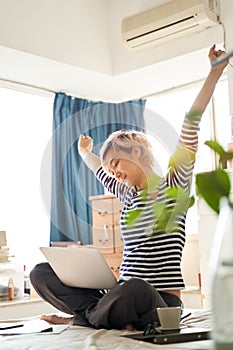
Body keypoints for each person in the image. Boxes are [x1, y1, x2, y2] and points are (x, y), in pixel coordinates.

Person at [30, 45, 228, 330]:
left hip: (157, 302)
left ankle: (85, 318)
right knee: (41, 273)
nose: (114, 174)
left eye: (117, 164)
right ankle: (96, 316)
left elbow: (190, 125)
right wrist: (86, 152)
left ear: (136, 152)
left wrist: (214, 73)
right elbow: (98, 169)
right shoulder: (127, 193)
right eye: (110, 169)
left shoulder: (176, 182)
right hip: (117, 296)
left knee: (136, 288)